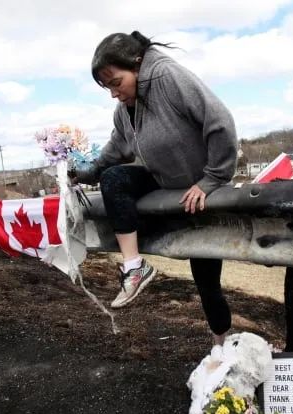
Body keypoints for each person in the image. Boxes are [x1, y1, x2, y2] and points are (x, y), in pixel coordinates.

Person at [74, 31, 238, 346]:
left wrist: (212, 178)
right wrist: (82, 173)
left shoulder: (165, 76)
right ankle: (135, 268)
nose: (113, 93)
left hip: (200, 195)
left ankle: (222, 346)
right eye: (107, 87)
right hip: (164, 186)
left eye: (115, 83)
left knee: (206, 283)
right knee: (114, 179)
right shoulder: (125, 108)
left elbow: (220, 121)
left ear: (136, 65)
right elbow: (116, 151)